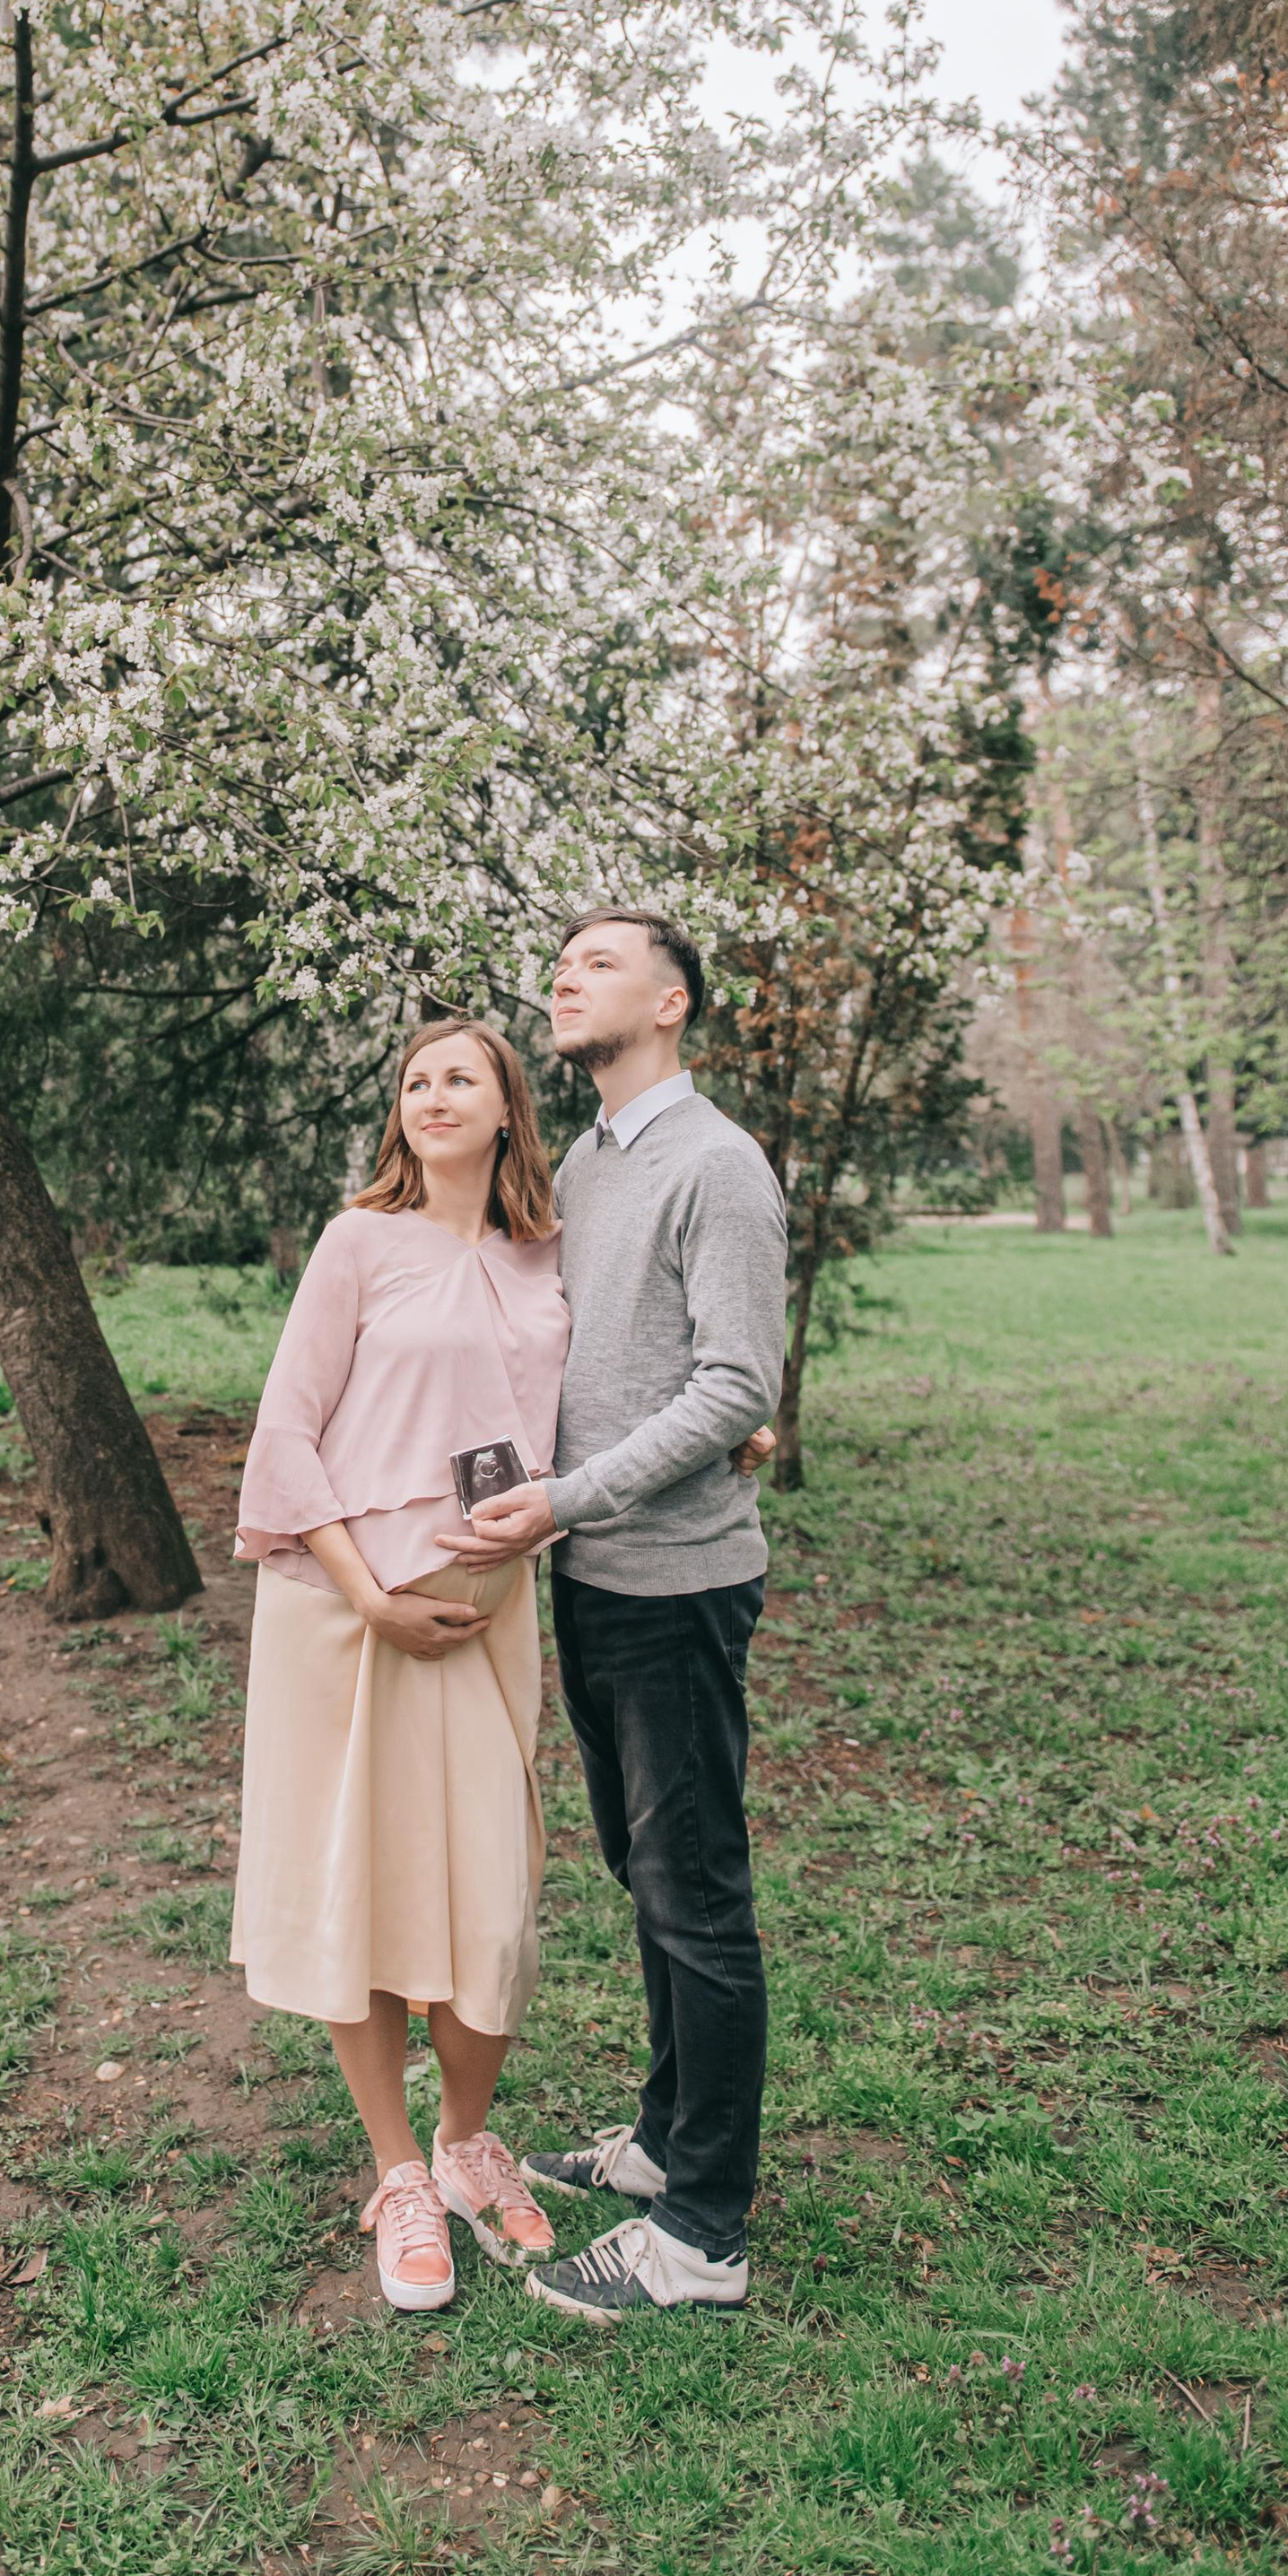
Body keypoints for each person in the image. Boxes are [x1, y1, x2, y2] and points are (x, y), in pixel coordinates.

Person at [442, 909, 786, 2321]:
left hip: (676, 1586)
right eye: (559, 962)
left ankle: (704, 2233)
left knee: (697, 1899)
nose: (563, 978)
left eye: (597, 961)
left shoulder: (718, 1163)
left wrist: (573, 1495)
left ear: (672, 998)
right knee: (647, 1879)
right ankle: (662, 2145)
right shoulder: (582, 1161)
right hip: (586, 1580)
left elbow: (734, 1384)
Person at [230, 1021, 569, 2313]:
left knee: (492, 1897)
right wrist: (371, 1596)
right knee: (360, 1890)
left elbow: (581, 1417)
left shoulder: (547, 1259)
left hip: (488, 1619)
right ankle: (398, 2171)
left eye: (460, 1078)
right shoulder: (358, 1241)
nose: (434, 1094)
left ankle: (469, 2142)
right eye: (415, 1080)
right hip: (345, 1615)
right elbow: (286, 1428)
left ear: (506, 1112)